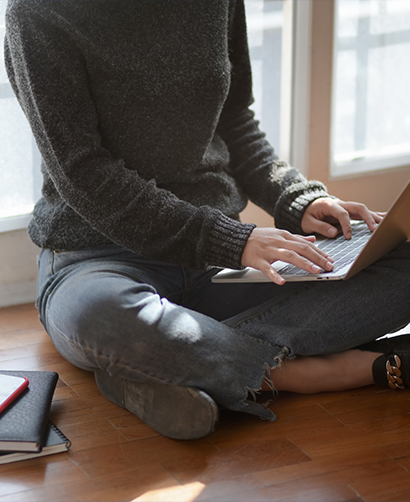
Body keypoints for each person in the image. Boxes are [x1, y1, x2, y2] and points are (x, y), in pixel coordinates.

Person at [5, 0, 410, 440]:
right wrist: (231, 239)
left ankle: (166, 367)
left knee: (399, 258)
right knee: (101, 317)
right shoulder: (38, 13)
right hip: (97, 261)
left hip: (217, 266)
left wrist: (298, 198)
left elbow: (235, 122)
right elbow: (82, 173)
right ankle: (306, 373)